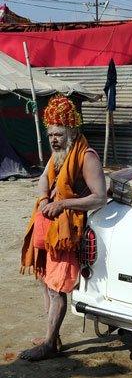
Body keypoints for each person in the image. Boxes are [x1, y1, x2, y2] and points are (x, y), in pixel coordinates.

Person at [19, 95, 107, 360]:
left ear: (72, 131)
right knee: (45, 281)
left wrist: (64, 203)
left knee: (57, 288)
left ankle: (48, 344)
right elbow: (44, 178)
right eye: (51, 135)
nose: (54, 140)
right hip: (49, 227)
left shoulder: (86, 156)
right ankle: (52, 337)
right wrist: (46, 199)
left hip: (68, 232)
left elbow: (100, 197)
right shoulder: (58, 155)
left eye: (58, 134)